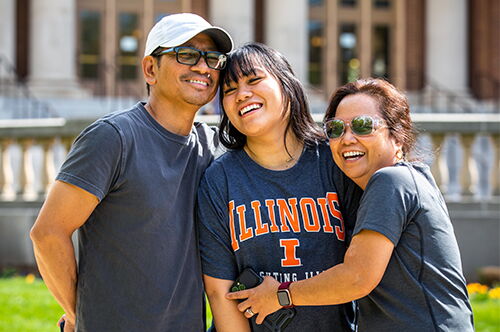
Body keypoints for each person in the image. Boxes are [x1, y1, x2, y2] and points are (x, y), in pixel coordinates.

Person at [30, 13, 233, 332]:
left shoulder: (211, 148)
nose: (203, 67)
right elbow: (47, 233)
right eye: (187, 54)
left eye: (212, 58)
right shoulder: (113, 138)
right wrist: (77, 315)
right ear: (151, 69)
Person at [227, 78, 475, 331]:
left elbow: (356, 277)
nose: (347, 139)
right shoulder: (406, 181)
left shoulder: (391, 181)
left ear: (398, 136)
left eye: (363, 126)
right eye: (335, 129)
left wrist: (279, 295)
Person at [197, 43, 362, 332]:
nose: (242, 94)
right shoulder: (219, 179)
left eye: (253, 79)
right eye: (230, 89)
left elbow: (364, 270)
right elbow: (220, 294)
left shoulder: (334, 160)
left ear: (287, 85)